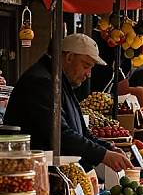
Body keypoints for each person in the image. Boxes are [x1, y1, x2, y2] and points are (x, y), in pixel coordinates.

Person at [4, 34, 132, 172]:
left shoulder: (60, 81)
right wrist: (103, 155)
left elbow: (81, 132)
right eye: (86, 66)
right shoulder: (42, 83)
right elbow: (60, 134)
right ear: (69, 57)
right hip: (35, 172)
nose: (89, 74)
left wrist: (108, 148)